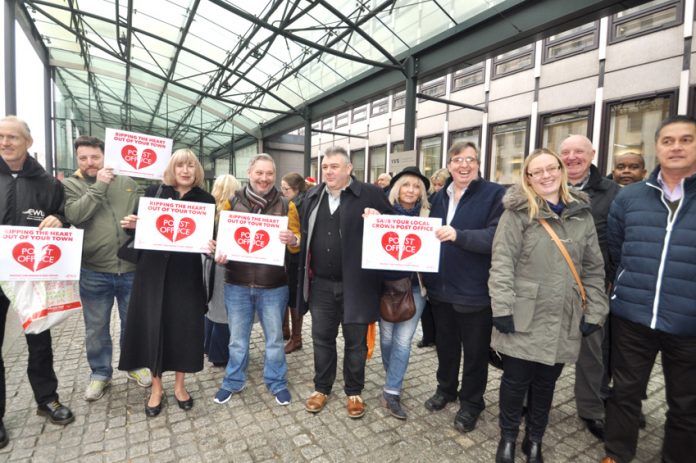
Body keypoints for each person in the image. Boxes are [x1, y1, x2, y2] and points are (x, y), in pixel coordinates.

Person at [489, 148, 608, 463]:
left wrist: (595, 310)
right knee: (515, 382)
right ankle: (509, 438)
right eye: (536, 171)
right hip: (523, 315)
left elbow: (594, 268)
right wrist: (501, 307)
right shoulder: (517, 213)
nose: (545, 176)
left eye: (551, 168)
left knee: (545, 384)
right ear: (527, 177)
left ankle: (535, 439)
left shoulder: (582, 215)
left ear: (561, 170)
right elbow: (501, 263)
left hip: (564, 316)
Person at [603, 115, 696, 463]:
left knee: (686, 404)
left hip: (689, 323)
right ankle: (616, 453)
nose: (676, 147)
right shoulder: (631, 199)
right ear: (657, 148)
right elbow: (617, 249)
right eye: (668, 140)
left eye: (685, 140)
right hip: (633, 316)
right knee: (624, 393)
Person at [118, 149, 215, 417]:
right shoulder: (154, 193)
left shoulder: (206, 199)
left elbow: (210, 238)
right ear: (172, 169)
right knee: (153, 326)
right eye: (180, 165)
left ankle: (181, 386)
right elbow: (135, 227)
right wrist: (131, 224)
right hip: (152, 272)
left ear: (197, 171)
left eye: (191, 166)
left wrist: (212, 246)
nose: (185, 171)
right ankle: (157, 388)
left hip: (186, 274)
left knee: (184, 328)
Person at [297, 146, 392, 419]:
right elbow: (304, 237)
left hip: (358, 285)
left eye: (334, 166)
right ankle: (321, 388)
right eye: (325, 167)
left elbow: (395, 224)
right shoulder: (313, 195)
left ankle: (354, 391)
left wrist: (381, 220)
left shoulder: (370, 194)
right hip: (321, 285)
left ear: (349, 169)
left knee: (356, 343)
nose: (328, 171)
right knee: (322, 339)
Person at [0, 115, 74, 446]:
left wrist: (59, 218)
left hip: (32, 274)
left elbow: (63, 214)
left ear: (28, 142)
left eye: (12, 137)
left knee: (39, 340)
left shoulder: (47, 183)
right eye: (0, 136)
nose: (5, 142)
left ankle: (47, 399)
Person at [422, 141, 505, 433]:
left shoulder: (495, 194)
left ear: (479, 163)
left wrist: (459, 235)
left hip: (474, 291)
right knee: (445, 346)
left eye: (470, 159)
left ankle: (472, 402)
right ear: (449, 164)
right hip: (441, 289)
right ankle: (446, 389)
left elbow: (496, 237)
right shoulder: (438, 197)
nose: (464, 165)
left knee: (475, 352)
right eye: (457, 159)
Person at [62, 135, 151, 401]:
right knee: (96, 328)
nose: (90, 163)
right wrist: (99, 185)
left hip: (130, 268)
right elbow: (75, 215)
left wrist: (141, 220)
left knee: (132, 323)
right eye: (83, 158)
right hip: (93, 270)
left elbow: (147, 213)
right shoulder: (71, 185)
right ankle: (100, 374)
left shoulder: (127, 182)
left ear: (105, 156)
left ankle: (134, 365)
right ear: (77, 159)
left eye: (95, 157)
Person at [213, 154, 299, 406]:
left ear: (275, 175)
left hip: (273, 285)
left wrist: (293, 240)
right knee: (237, 340)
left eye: (269, 173)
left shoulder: (287, 205)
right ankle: (232, 380)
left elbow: (297, 242)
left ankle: (277, 382)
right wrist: (218, 252)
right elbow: (221, 238)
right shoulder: (231, 202)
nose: (264, 178)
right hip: (237, 284)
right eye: (259, 173)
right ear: (249, 172)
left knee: (274, 340)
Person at [559, 134, 620, 440]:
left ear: (592, 154)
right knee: (544, 347)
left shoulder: (612, 192)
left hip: (590, 286)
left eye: (578, 152)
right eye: (566, 152)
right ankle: (533, 400)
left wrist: (609, 278)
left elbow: (617, 239)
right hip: (549, 284)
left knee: (591, 352)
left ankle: (591, 409)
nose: (572, 157)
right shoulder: (545, 187)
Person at [379, 166, 430, 420]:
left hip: (414, 288)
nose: (411, 190)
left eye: (416, 186)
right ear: (397, 188)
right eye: (406, 185)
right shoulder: (382, 213)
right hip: (386, 287)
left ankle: (392, 390)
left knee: (403, 340)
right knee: (387, 339)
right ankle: (393, 377)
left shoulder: (429, 216)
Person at [204, 174, 241, 367]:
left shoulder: (209, 211)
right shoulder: (235, 212)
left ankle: (208, 346)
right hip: (224, 267)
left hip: (208, 264)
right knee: (223, 311)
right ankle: (219, 354)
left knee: (211, 306)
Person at [417, 167, 451, 349]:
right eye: (435, 184)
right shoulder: (429, 202)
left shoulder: (450, 203)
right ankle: (428, 336)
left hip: (443, 258)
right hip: (427, 259)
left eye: (441, 184)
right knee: (426, 306)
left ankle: (439, 338)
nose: (438, 188)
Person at [280, 172, 307, 354]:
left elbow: (299, 232)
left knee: (293, 296)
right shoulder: (296, 202)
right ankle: (287, 331)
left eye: (286, 189)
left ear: (296, 189)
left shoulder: (298, 204)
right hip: (292, 256)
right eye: (281, 188)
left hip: (296, 256)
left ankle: (295, 338)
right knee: (288, 294)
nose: (283, 192)